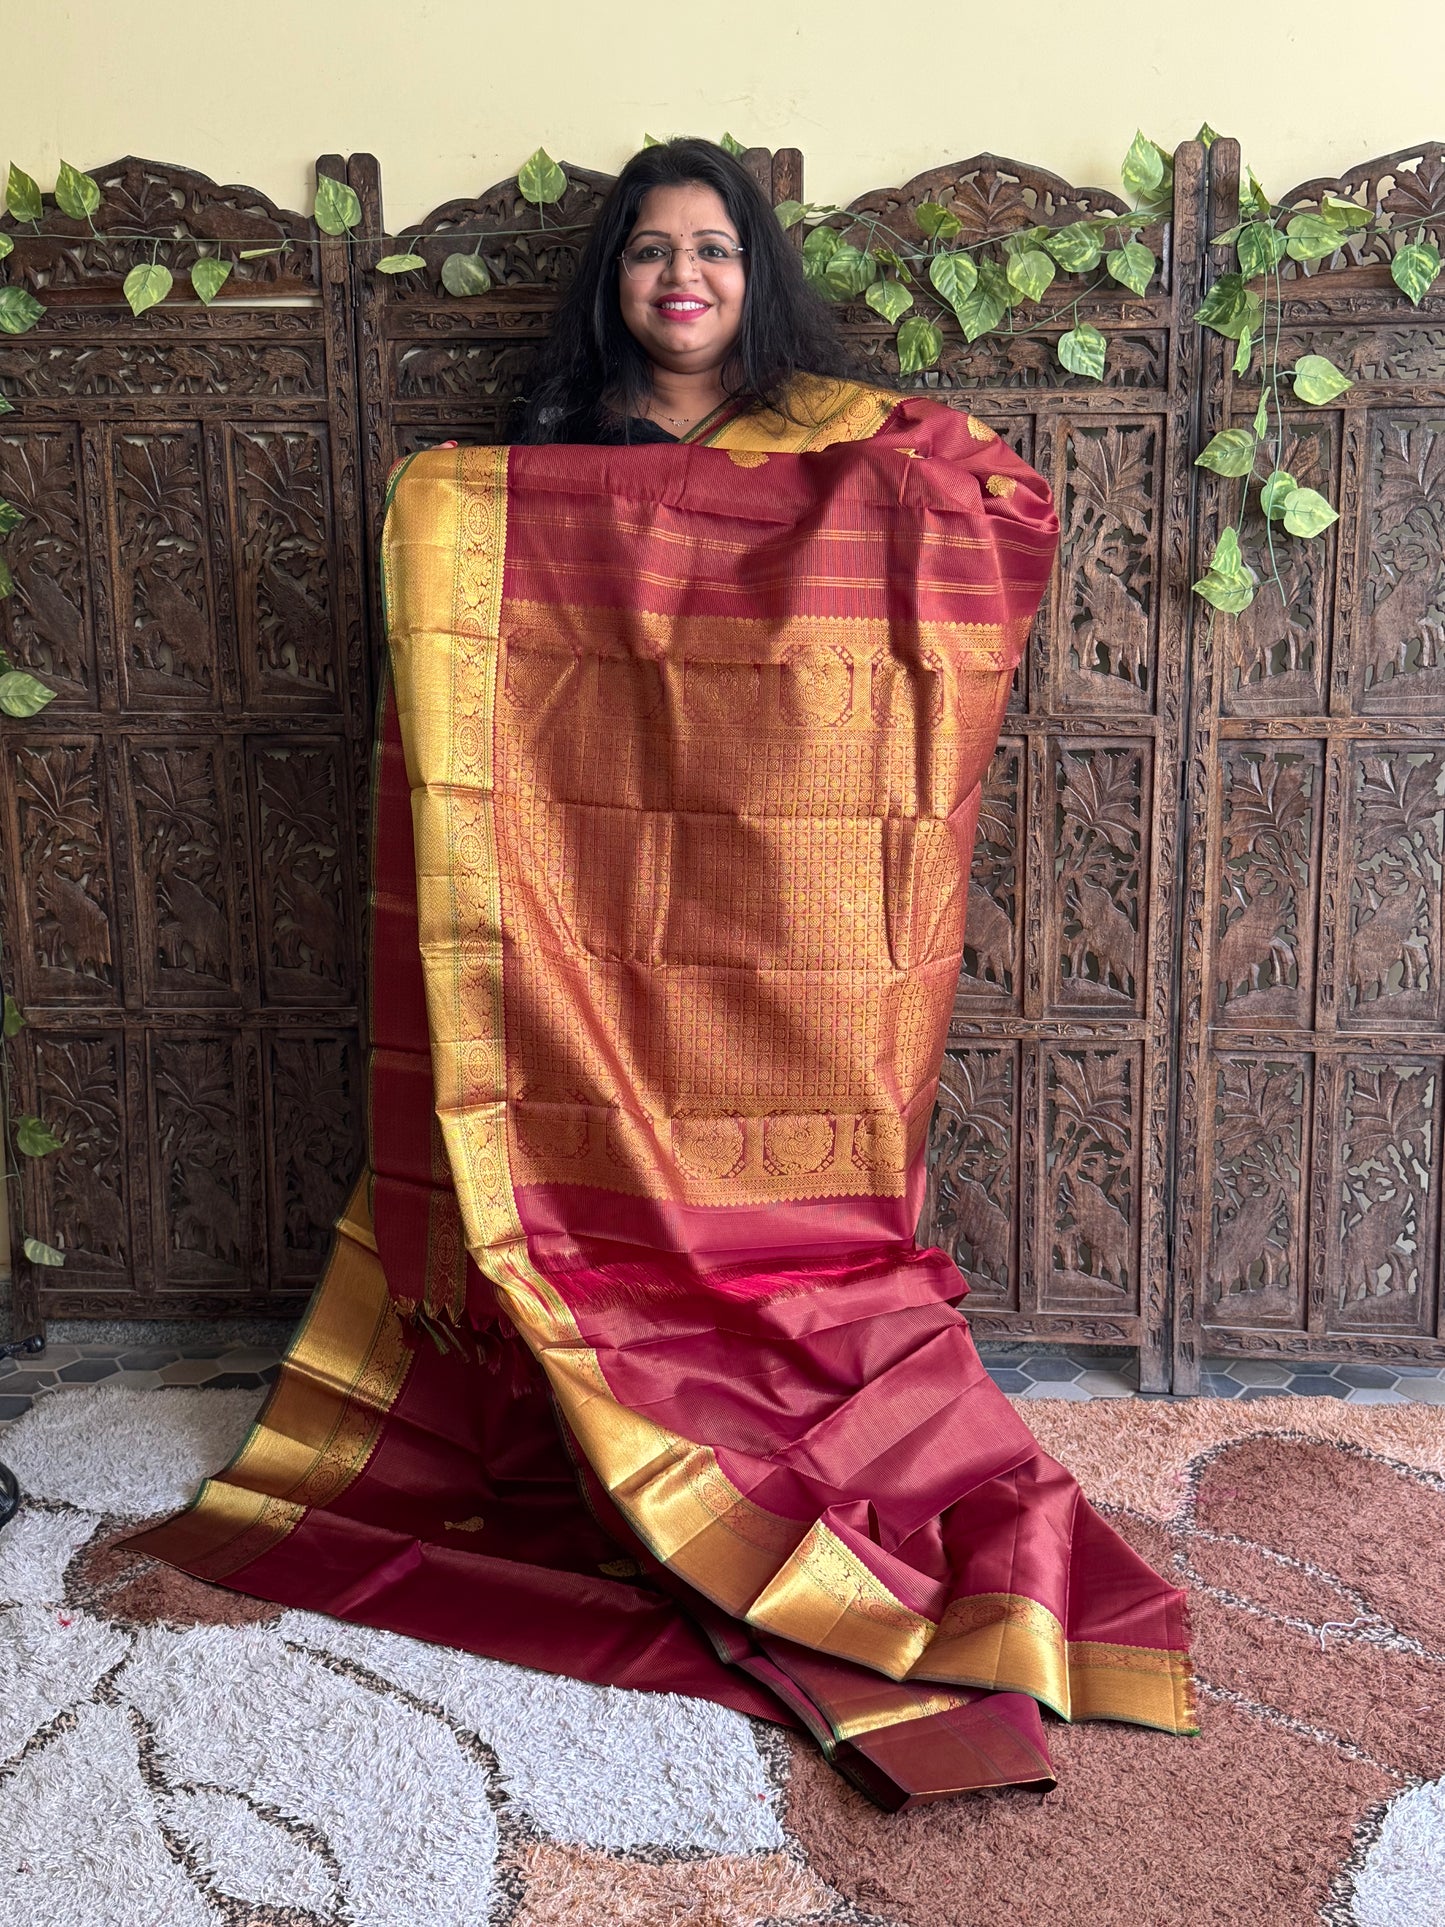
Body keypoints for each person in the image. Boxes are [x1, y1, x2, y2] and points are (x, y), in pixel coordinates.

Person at [134, 139, 1196, 1810]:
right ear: (610, 282)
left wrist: (891, 493)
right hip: (585, 912)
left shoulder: (850, 446)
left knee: (798, 1198)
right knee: (566, 1189)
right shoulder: (545, 467)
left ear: (755, 276)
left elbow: (1004, 508)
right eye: (648, 254)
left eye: (710, 250)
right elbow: (461, 586)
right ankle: (605, 1411)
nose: (680, 279)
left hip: (781, 902)